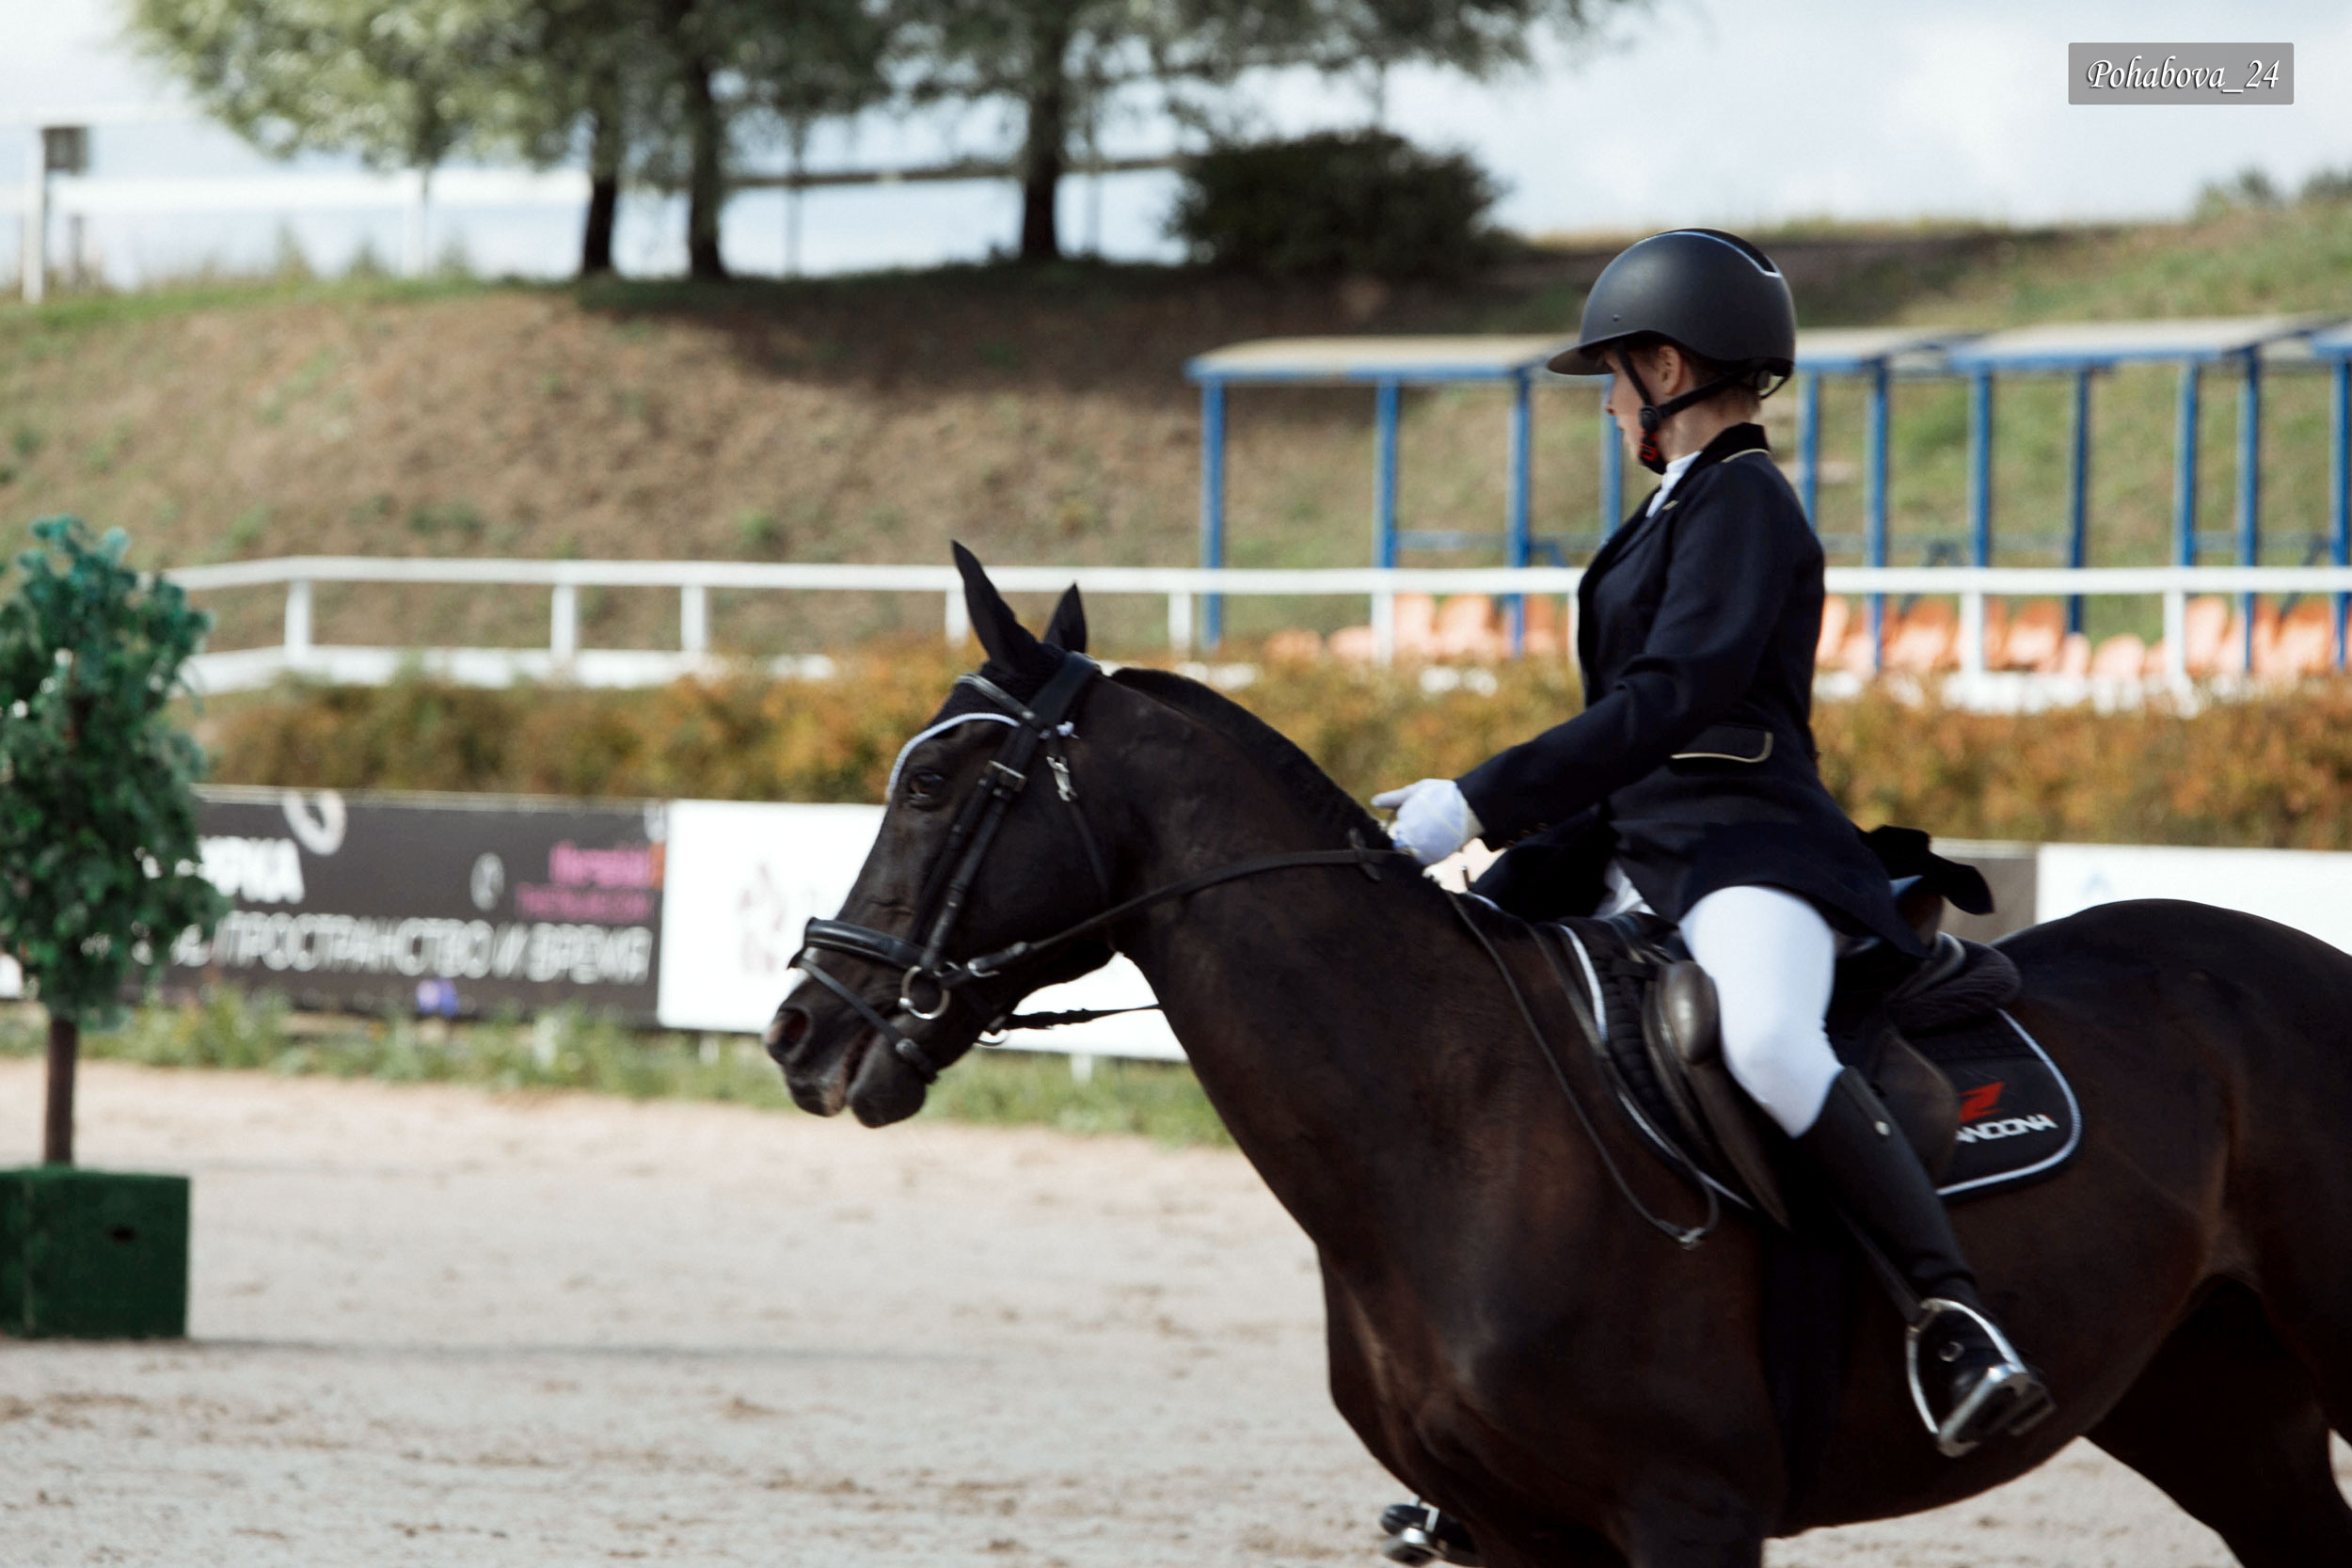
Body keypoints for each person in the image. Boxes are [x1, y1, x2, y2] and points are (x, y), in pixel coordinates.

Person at [1370, 231, 2051, 1550]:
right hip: (1625, 848)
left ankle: (1950, 1318)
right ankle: (1520, 1423)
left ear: (1669, 366)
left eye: (1614, 378)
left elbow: (1672, 700)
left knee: (1761, 1035)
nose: (1610, 403)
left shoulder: (1745, 505)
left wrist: (1483, 795)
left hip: (1746, 847)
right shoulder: (1670, 511)